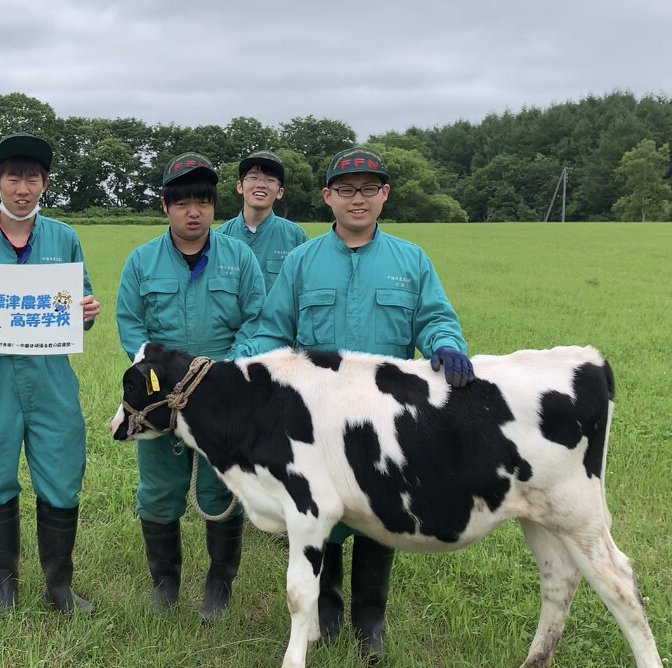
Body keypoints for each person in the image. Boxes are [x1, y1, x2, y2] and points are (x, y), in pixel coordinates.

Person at [239, 146, 474, 659]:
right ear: (328, 197)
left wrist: (444, 342)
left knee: (381, 515)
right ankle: (327, 608)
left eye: (369, 188)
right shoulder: (302, 262)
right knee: (323, 513)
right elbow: (273, 329)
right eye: (346, 189)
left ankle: (371, 620)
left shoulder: (410, 260)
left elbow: (433, 317)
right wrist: (235, 369)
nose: (358, 198)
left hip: (383, 420)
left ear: (385, 194)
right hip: (317, 419)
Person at [0, 132, 100, 615]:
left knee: (61, 474)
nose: (23, 187)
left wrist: (86, 311)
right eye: (13, 177)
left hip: (49, 379)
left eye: (33, 178)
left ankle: (59, 588)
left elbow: (80, 304)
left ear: (45, 183)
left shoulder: (63, 238)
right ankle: (4, 586)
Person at [115, 152, 265, 621]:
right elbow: (129, 323)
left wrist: (222, 373)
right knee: (159, 490)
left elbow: (258, 320)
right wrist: (157, 375)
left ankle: (219, 586)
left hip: (223, 399)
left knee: (223, 490)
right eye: (183, 202)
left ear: (214, 207)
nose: (193, 211)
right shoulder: (141, 262)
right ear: (166, 205)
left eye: (202, 201)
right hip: (161, 399)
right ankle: (165, 583)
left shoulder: (239, 258)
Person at [215, 150, 308, 293]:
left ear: (280, 192)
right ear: (240, 186)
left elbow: (305, 288)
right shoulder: (219, 237)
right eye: (253, 177)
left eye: (270, 179)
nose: (261, 184)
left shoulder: (295, 236)